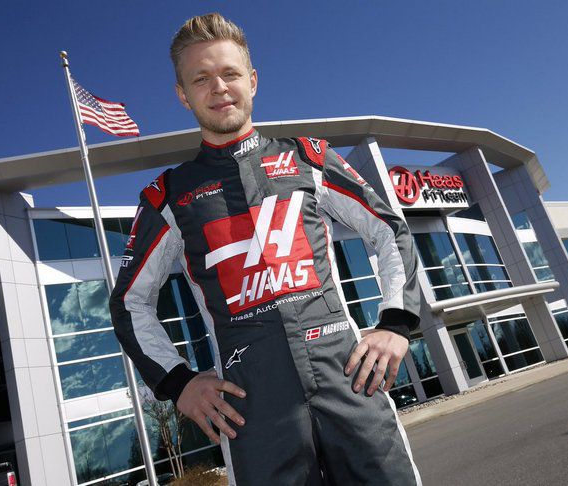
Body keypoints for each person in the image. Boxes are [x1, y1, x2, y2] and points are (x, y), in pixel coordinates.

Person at [109, 12, 423, 486]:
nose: (219, 88)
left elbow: (388, 229)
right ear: (183, 95)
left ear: (252, 81)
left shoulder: (308, 157)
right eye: (201, 79)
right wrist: (178, 382)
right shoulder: (168, 195)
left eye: (230, 73)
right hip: (251, 410)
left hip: (350, 381)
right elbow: (130, 302)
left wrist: (396, 323)